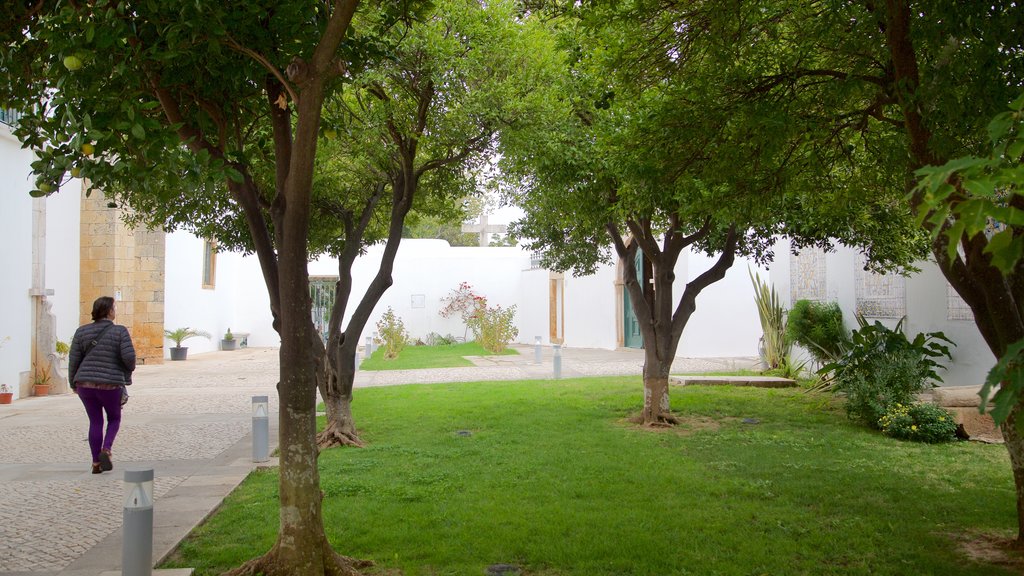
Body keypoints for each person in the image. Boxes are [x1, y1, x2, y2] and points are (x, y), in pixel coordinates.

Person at [68, 296, 136, 474]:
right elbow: (129, 358)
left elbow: (74, 360)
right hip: (110, 384)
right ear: (110, 311)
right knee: (114, 418)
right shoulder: (120, 331)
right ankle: (106, 448)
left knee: (95, 421)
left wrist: (73, 382)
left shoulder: (81, 332)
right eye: (114, 308)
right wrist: (127, 373)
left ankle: (96, 463)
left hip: (85, 383)